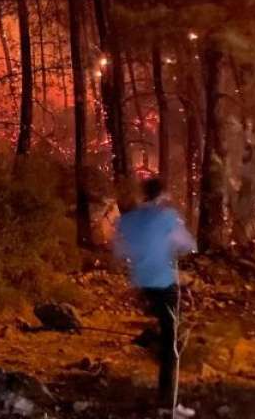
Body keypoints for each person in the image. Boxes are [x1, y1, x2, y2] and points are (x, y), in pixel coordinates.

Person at [114, 177, 197, 418]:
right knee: (173, 340)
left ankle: (154, 344)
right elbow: (189, 244)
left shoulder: (127, 219)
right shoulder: (167, 217)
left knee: (164, 327)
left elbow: (120, 251)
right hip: (163, 281)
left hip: (141, 282)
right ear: (162, 194)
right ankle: (168, 404)